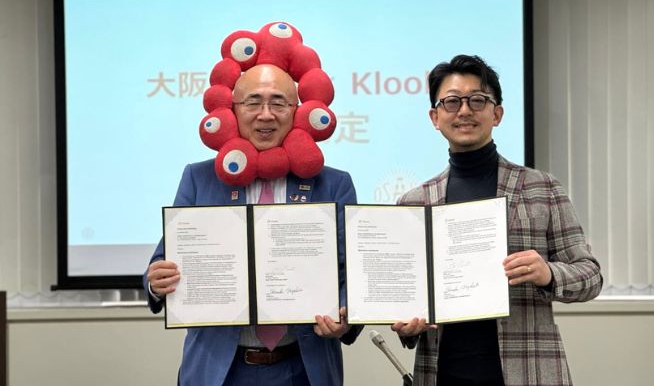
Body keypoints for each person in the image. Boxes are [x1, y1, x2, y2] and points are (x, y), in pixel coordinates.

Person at [390, 55, 603, 386]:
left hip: (529, 372)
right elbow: (407, 302)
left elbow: (591, 277)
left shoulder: (542, 188)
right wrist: (407, 326)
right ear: (435, 117)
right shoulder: (414, 203)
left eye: (477, 100)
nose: (464, 111)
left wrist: (548, 273)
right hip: (441, 375)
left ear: (497, 114)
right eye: (451, 102)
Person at [144, 63, 361, 386]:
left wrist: (345, 312)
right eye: (253, 102)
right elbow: (163, 261)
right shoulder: (199, 178)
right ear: (233, 110)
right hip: (220, 369)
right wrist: (155, 281)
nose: (265, 114)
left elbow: (353, 274)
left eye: (278, 103)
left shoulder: (333, 184)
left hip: (304, 367)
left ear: (297, 111)